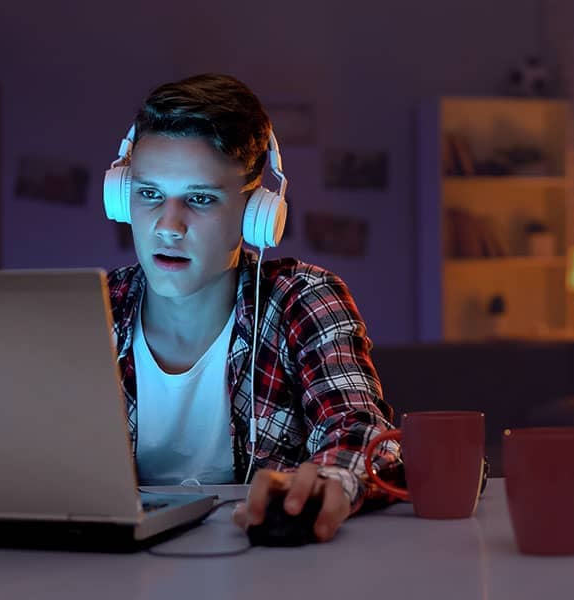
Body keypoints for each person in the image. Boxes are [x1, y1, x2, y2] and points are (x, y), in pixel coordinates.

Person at [102, 73, 401, 543]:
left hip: (268, 567)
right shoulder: (95, 310)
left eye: (200, 199)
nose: (169, 226)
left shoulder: (303, 299)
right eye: (150, 194)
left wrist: (331, 479)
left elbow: (358, 429)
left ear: (258, 212)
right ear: (121, 199)